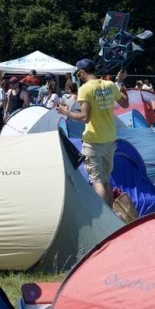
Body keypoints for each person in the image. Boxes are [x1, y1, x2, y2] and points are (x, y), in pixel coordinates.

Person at [57, 59, 129, 207]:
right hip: (110, 138)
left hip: (93, 140)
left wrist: (66, 112)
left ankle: (102, 216)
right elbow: (125, 103)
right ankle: (110, 213)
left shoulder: (85, 89)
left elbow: (85, 117)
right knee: (106, 179)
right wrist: (120, 83)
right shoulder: (110, 85)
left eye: (78, 74)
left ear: (82, 72)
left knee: (96, 181)